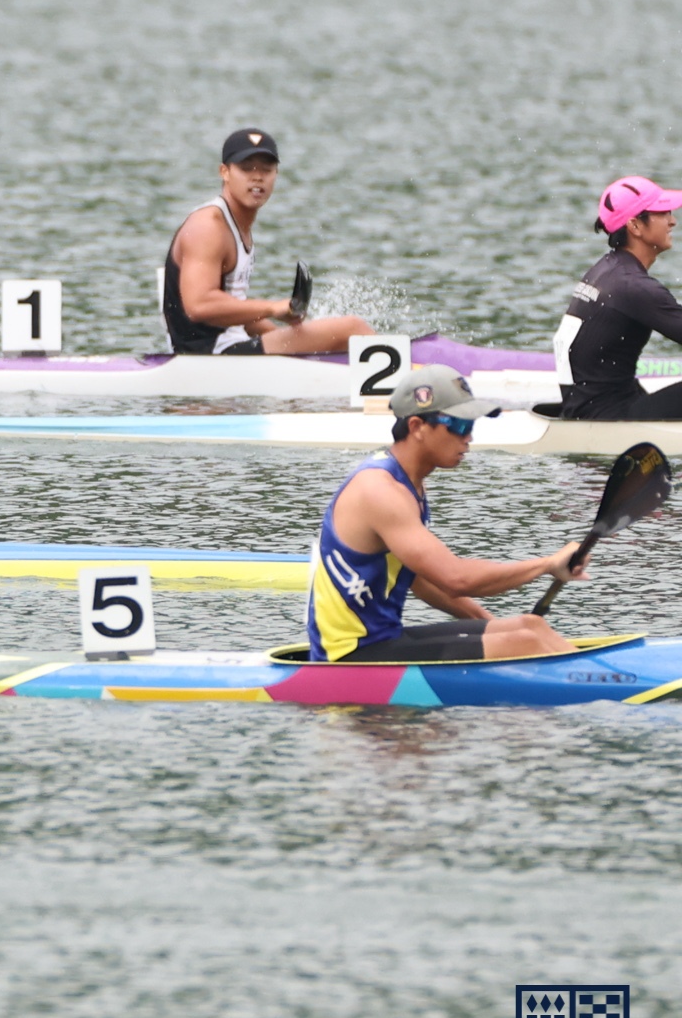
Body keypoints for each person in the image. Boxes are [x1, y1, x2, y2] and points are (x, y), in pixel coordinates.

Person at [306, 365, 584, 661]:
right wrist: (547, 565)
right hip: (347, 657)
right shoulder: (380, 491)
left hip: (384, 638)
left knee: (530, 627)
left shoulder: (407, 482)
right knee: (525, 642)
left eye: (471, 425)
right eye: (459, 426)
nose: (469, 438)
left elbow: (420, 580)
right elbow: (456, 579)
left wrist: (490, 626)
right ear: (417, 427)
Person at [162, 128, 372, 356]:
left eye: (266, 169)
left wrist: (284, 333)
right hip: (206, 355)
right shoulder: (208, 226)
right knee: (352, 329)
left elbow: (233, 311)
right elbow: (199, 305)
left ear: (276, 174)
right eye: (246, 168)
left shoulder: (238, 224)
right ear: (224, 172)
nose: (257, 177)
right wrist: (271, 308)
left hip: (226, 348)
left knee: (331, 342)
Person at [554, 176, 682, 421]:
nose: (672, 221)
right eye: (662, 213)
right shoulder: (634, 287)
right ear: (635, 226)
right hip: (609, 417)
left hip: (586, 409)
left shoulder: (605, 270)